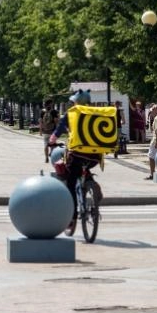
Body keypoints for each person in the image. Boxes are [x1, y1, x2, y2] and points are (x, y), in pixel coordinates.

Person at [49, 89, 104, 229]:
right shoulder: (96, 113)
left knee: (71, 182)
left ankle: (72, 218)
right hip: (95, 156)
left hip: (77, 154)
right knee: (85, 168)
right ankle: (92, 184)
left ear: (76, 102)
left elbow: (59, 130)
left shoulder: (72, 114)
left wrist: (52, 141)